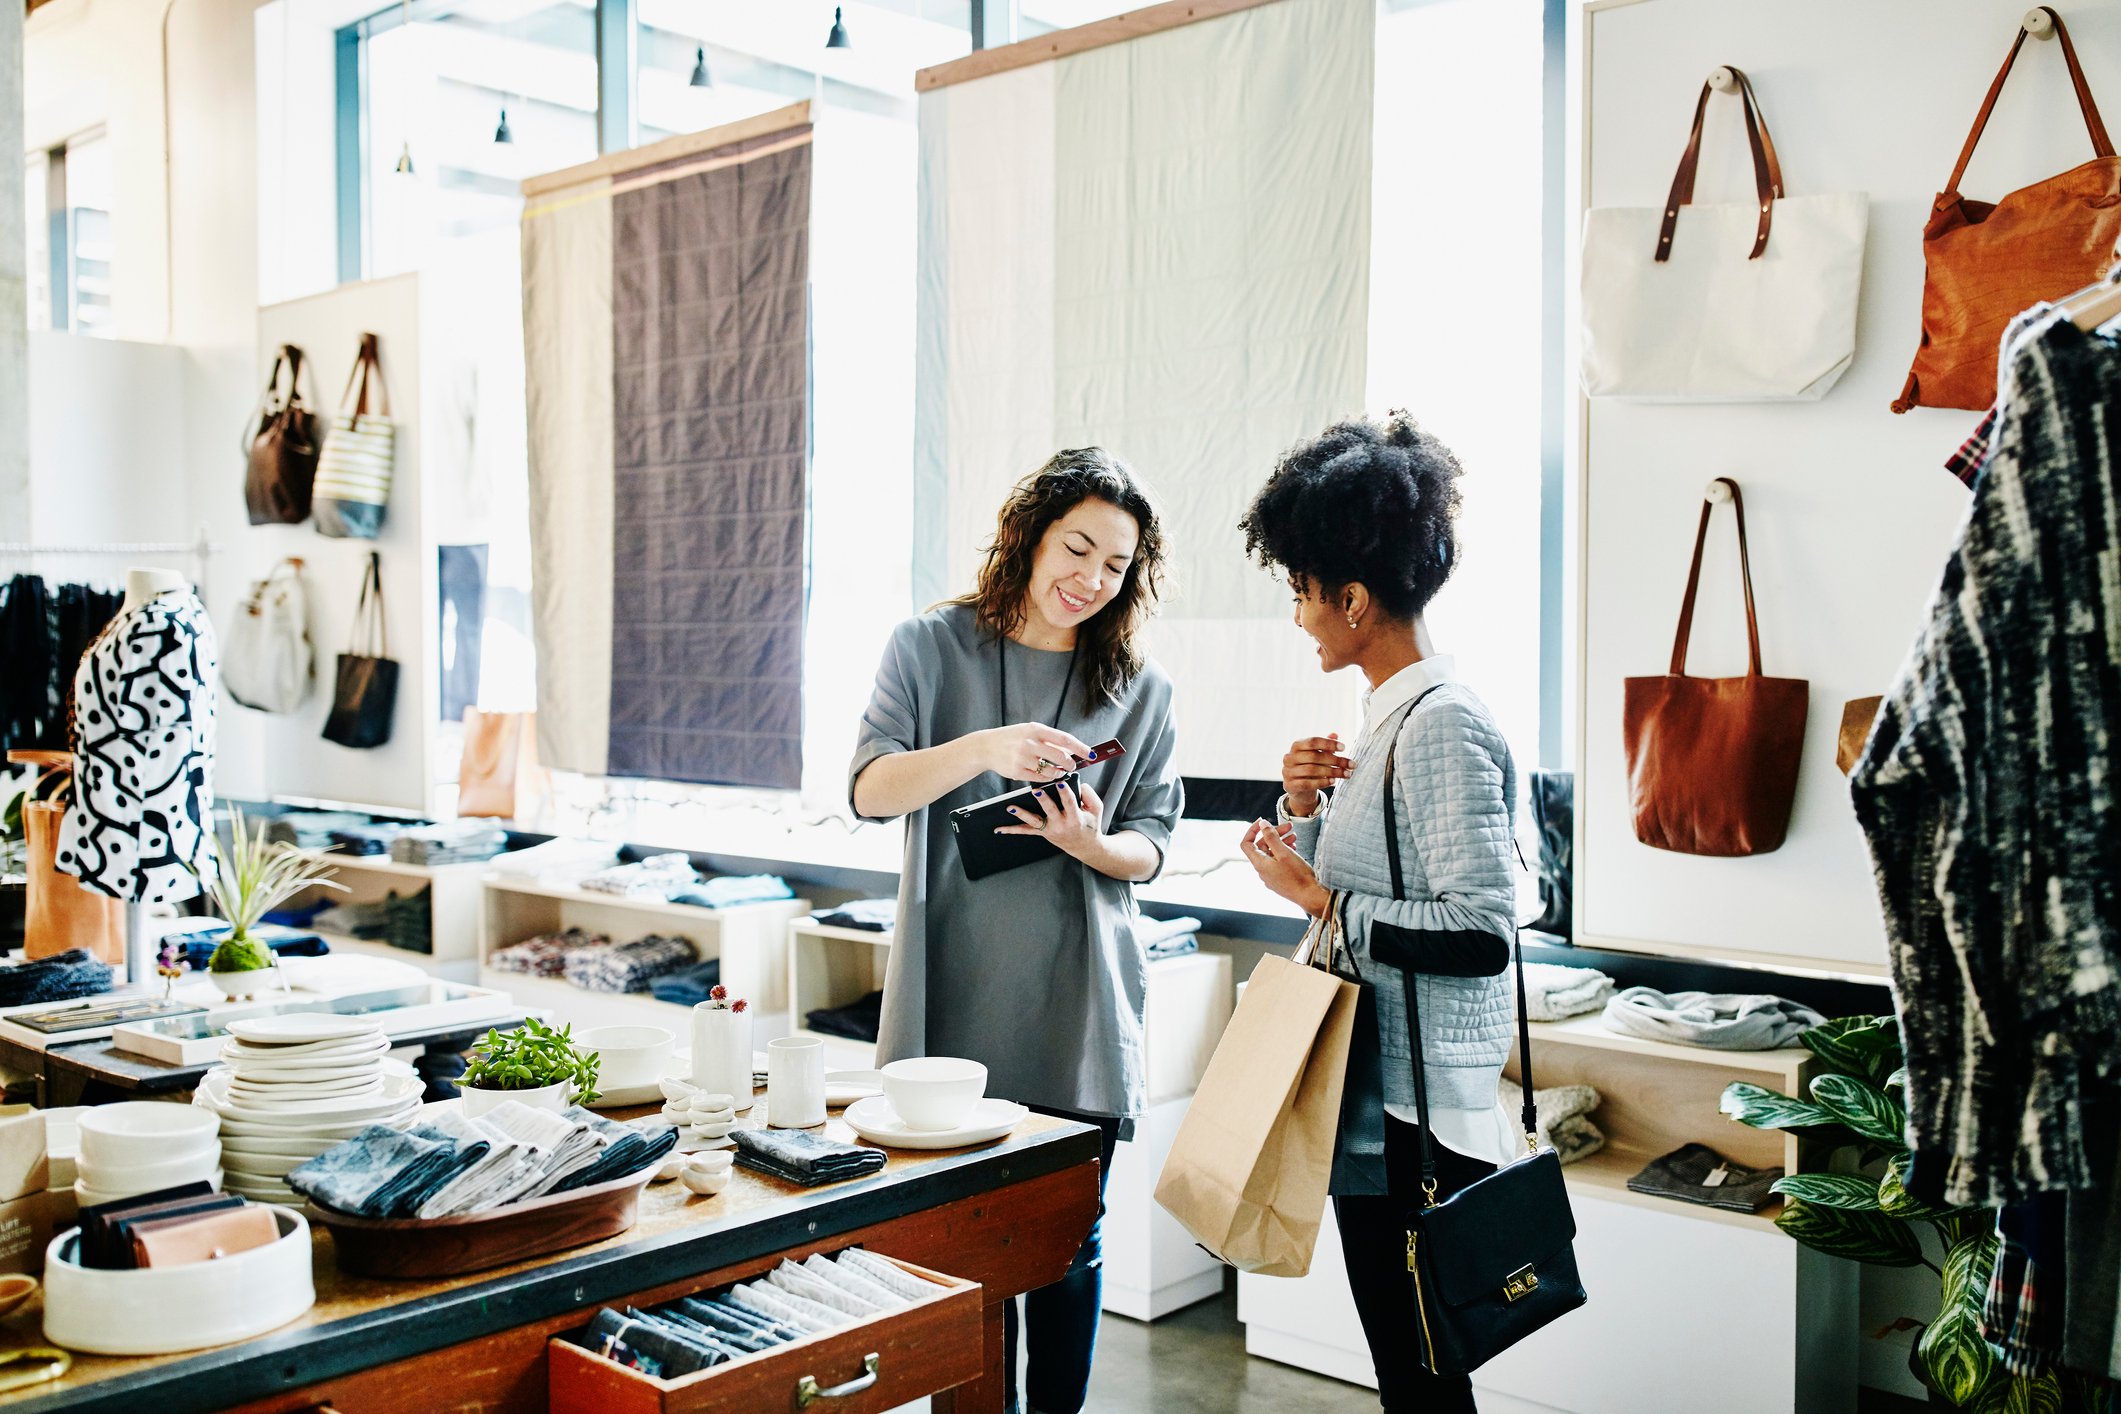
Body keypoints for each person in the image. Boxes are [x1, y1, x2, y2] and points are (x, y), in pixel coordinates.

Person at [849, 447, 1183, 1414]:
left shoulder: (1142, 686)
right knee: (952, 1240)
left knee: (1067, 1240)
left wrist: (1091, 843)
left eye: (1115, 566)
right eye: (1076, 547)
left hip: (1079, 992)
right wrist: (983, 750)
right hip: (951, 983)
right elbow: (871, 793)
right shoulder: (927, 646)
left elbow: (1154, 843)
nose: (1090, 578)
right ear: (1026, 537)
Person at [1234, 413, 1521, 1414]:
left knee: (1424, 1378)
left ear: (1353, 600)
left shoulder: (1440, 724)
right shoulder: (1392, 714)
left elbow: (1482, 934)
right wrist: (1306, 815)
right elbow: (1376, 895)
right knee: (1411, 1371)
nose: (1302, 616)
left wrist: (1319, 896)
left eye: (1304, 593)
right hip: (1382, 1101)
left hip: (1417, 1125)